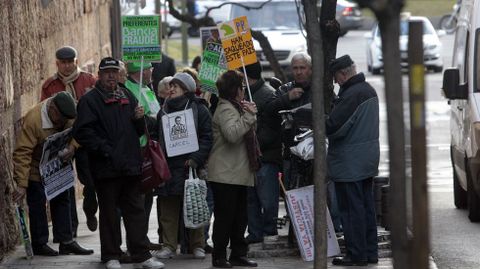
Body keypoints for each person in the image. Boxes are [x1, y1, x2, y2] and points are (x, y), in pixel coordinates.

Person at [72, 57, 164, 269]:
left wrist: (140, 119)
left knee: (136, 212)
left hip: (130, 166)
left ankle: (141, 255)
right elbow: (83, 132)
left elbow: (140, 130)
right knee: (109, 214)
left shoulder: (127, 95)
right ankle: (111, 255)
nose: (111, 76)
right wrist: (106, 150)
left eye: (115, 71)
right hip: (106, 168)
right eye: (107, 72)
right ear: (100, 75)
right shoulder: (91, 100)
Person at [12, 92, 94, 257]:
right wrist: (21, 183)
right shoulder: (34, 120)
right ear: (52, 108)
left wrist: (72, 147)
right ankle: (40, 244)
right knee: (37, 203)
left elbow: (79, 131)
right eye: (60, 119)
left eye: (66, 120)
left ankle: (66, 241)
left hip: (58, 164)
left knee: (63, 199)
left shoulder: (69, 114)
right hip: (36, 167)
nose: (63, 122)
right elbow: (23, 152)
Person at [153, 72, 212, 260]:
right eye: (170, 86)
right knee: (168, 211)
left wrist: (196, 158)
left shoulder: (199, 109)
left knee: (194, 207)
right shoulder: (163, 111)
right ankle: (169, 245)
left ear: (186, 89)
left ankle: (198, 245)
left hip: (190, 167)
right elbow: (156, 136)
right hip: (169, 168)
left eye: (175, 86)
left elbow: (207, 137)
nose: (171, 89)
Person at [327, 55, 379, 266]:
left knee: (351, 210)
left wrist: (320, 120)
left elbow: (335, 127)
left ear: (343, 74)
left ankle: (356, 255)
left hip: (350, 162)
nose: (336, 83)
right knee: (366, 208)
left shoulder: (352, 95)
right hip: (366, 159)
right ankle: (370, 252)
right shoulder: (368, 90)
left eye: (336, 78)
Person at [40, 45, 97, 235]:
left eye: (70, 62)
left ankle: (90, 209)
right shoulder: (50, 86)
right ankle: (70, 228)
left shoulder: (89, 81)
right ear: (57, 63)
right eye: (62, 63)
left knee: (88, 180)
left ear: (76, 62)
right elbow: (45, 113)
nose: (66, 66)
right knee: (64, 184)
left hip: (85, 138)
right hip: (62, 140)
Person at [208, 70, 259, 268]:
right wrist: (248, 116)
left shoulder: (235, 107)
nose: (244, 90)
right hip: (225, 173)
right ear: (235, 90)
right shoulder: (226, 109)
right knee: (225, 218)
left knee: (239, 217)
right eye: (242, 87)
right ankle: (219, 256)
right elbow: (232, 134)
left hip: (237, 173)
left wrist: (249, 114)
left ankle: (238, 254)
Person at [242, 62, 282, 244]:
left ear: (248, 77)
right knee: (251, 199)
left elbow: (271, 129)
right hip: (252, 157)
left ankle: (268, 231)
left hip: (265, 156)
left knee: (267, 199)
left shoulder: (267, 95)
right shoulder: (248, 94)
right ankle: (255, 232)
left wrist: (254, 144)